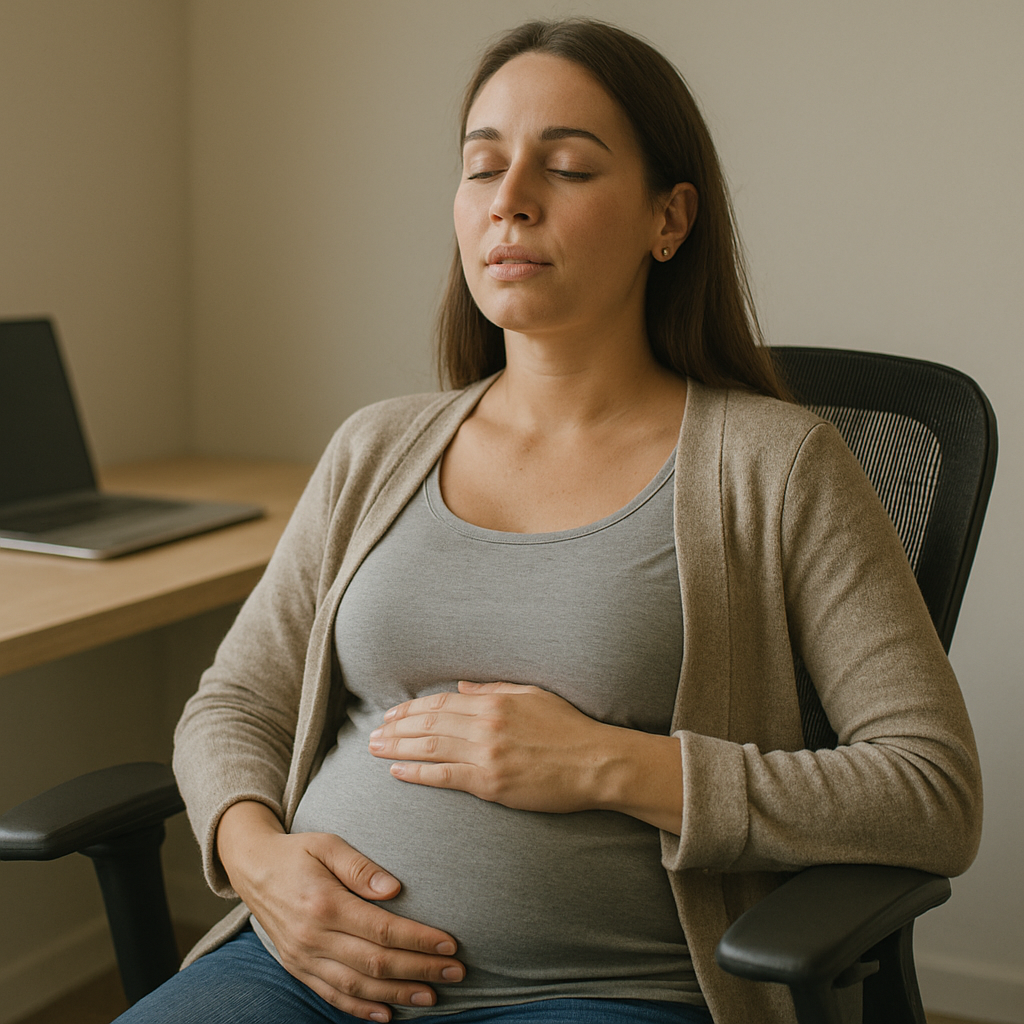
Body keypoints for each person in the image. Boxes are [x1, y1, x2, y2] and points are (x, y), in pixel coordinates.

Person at [119, 17, 981, 1024]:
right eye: (482, 169)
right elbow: (234, 704)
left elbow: (930, 794)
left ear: (670, 218)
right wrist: (258, 860)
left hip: (608, 990)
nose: (510, 201)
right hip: (299, 968)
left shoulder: (778, 464)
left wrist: (605, 762)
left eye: (566, 167)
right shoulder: (376, 445)